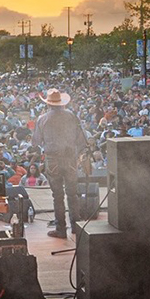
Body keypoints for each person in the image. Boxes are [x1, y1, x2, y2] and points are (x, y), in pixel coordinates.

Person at [32, 89, 86, 239]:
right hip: (70, 158)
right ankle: (76, 226)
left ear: (48, 104)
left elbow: (36, 141)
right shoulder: (71, 116)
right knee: (72, 194)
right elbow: (81, 139)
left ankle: (60, 229)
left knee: (57, 195)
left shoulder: (42, 119)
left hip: (53, 159)